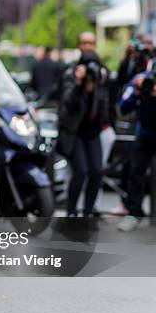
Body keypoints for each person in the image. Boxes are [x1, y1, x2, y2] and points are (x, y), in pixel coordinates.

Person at [57, 33, 110, 217]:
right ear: (79, 45)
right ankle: (71, 213)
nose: (88, 46)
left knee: (96, 172)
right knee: (80, 172)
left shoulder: (100, 73)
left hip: (93, 131)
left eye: (91, 43)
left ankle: (87, 214)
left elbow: (106, 101)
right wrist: (79, 84)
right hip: (74, 132)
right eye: (85, 43)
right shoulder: (70, 73)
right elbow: (67, 104)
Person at [117, 64, 156, 231]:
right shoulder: (140, 79)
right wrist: (137, 92)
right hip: (145, 134)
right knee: (135, 173)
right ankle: (134, 212)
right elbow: (123, 106)